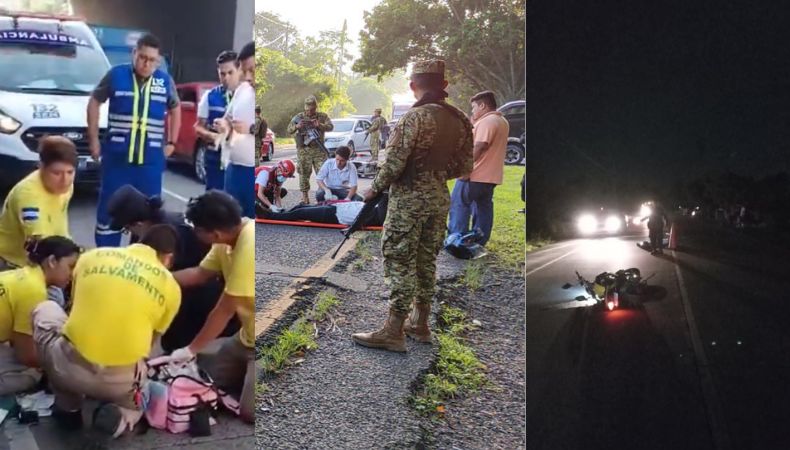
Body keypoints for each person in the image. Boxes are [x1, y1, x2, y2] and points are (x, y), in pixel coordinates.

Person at [352, 59, 473, 352]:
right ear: (444, 85)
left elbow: (393, 163)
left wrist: (374, 189)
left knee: (398, 257)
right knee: (425, 258)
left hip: (408, 198)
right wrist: (436, 173)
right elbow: (464, 167)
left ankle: (393, 331)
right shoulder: (461, 120)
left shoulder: (413, 118)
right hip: (439, 197)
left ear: (412, 85)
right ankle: (420, 323)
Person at [32, 225, 181, 440]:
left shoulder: (92, 256)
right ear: (168, 258)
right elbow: (149, 344)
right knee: (144, 395)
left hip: (68, 366)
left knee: (45, 309)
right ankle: (120, 418)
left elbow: (75, 308)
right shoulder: (171, 287)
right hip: (120, 383)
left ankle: (68, 405)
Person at [106, 185, 240, 352]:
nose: (129, 232)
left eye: (127, 228)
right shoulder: (146, 230)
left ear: (138, 223)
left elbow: (200, 275)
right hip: (183, 287)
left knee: (178, 344)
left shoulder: (178, 234)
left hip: (200, 297)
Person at [88, 33, 181, 247]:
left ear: (158, 61)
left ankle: (138, 261)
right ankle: (106, 258)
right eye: (142, 57)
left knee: (148, 215)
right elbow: (94, 101)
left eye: (152, 60)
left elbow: (175, 108)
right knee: (109, 211)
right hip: (117, 161)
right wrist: (93, 139)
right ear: (134, 53)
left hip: (150, 163)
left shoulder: (164, 81)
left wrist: (172, 143)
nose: (146, 63)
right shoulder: (116, 75)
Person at [169, 191, 254, 423]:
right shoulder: (225, 241)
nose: (194, 233)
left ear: (214, 233)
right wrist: (156, 277)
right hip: (245, 337)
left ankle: (257, 372)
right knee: (205, 382)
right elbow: (198, 274)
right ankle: (248, 374)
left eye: (196, 229)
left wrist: (190, 350)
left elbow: (223, 311)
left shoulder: (249, 245)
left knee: (250, 413)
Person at [0, 236, 80, 395]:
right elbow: (27, 356)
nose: (73, 274)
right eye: (70, 266)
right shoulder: (34, 290)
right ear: (52, 261)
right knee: (33, 375)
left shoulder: (24, 275)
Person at [0, 136, 77, 271]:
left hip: (48, 252)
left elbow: (59, 226)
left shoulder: (66, 186)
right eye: (56, 173)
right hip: (15, 265)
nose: (65, 180)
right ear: (41, 167)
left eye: (70, 172)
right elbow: (42, 245)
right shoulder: (29, 196)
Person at [447, 90, 509, 246]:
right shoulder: (502, 121)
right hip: (491, 176)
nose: (473, 111)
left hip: (475, 175)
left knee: (459, 203)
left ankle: (456, 239)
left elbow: (480, 146)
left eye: (474, 107)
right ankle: (479, 240)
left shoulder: (487, 122)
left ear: (483, 105)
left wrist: (464, 168)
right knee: (483, 207)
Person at [215, 42, 256, 219]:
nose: (247, 77)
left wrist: (251, 128)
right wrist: (224, 125)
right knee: (229, 222)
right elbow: (227, 117)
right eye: (244, 71)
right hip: (234, 169)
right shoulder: (243, 90)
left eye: (252, 71)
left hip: (253, 172)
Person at [195, 50, 241, 191]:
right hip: (215, 161)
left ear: (239, 70)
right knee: (214, 206)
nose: (226, 77)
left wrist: (228, 131)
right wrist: (212, 136)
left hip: (239, 161)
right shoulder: (210, 96)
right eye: (222, 73)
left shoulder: (247, 96)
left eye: (230, 72)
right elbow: (198, 127)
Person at [287, 95, 334, 204]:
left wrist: (320, 125)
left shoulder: (322, 116)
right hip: (304, 151)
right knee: (303, 174)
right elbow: (289, 129)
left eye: (312, 109)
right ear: (305, 108)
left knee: (322, 174)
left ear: (316, 107)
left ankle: (322, 196)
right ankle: (305, 197)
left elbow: (331, 127)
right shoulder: (298, 117)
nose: (309, 111)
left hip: (319, 150)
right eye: (307, 109)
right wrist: (297, 126)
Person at [259, 194, 388, 226]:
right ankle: (280, 213)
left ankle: (269, 216)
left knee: (300, 213)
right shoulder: (379, 207)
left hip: (335, 215)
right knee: (300, 207)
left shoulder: (379, 215)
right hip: (337, 207)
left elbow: (384, 196)